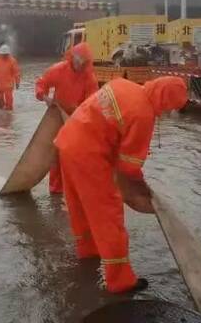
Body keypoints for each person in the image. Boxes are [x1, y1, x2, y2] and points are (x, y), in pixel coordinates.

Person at [54, 76, 188, 294]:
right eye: (169, 107)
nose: (166, 112)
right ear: (165, 100)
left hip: (68, 141)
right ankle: (120, 281)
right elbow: (128, 167)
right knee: (108, 215)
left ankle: (88, 251)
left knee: (80, 207)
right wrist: (140, 190)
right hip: (90, 155)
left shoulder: (123, 84)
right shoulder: (143, 114)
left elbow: (108, 125)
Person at [35, 42, 99, 194]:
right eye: (77, 61)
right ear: (72, 58)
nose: (79, 65)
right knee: (56, 153)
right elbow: (41, 83)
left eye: (82, 62)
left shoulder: (89, 77)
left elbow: (93, 101)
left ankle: (73, 189)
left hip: (78, 120)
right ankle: (56, 190)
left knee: (74, 156)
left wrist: (82, 113)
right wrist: (44, 97)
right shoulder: (59, 70)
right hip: (58, 116)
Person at [0, 44, 21, 110]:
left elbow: (16, 73)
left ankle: (8, 115)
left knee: (9, 104)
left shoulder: (12, 61)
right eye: (3, 54)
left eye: (5, 54)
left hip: (8, 85)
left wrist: (17, 82)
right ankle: (1, 114)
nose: (4, 55)